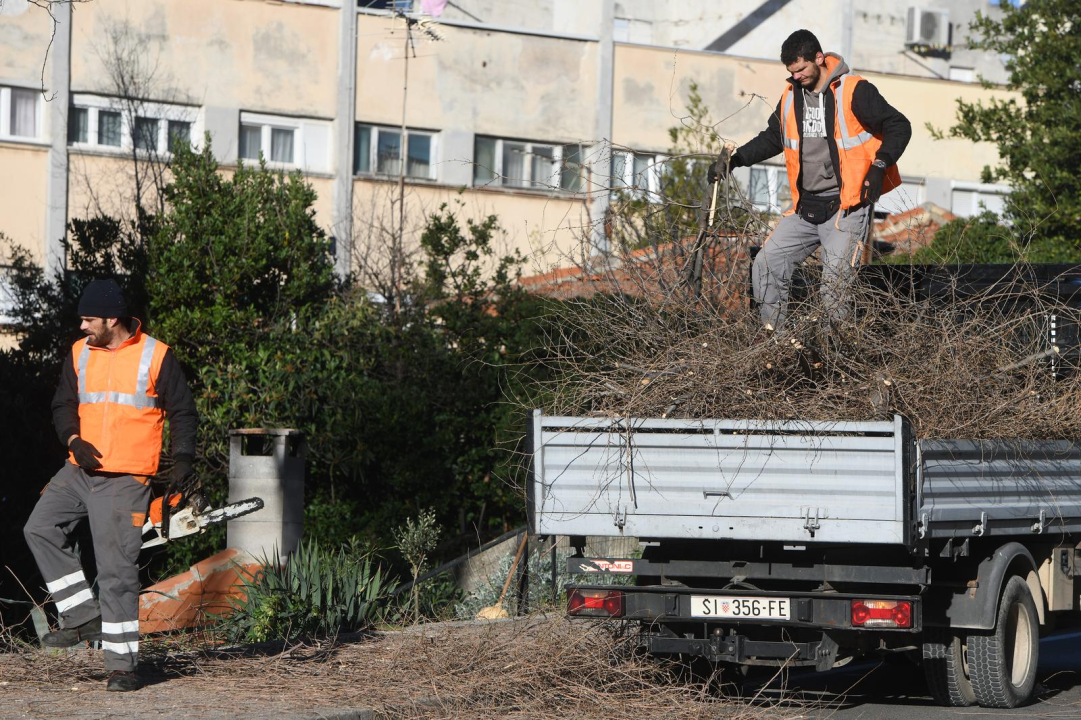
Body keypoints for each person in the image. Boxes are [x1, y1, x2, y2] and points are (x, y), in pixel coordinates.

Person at [23, 279, 198, 692]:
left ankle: (123, 668)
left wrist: (183, 461)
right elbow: (63, 404)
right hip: (79, 469)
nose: (82, 326)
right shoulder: (79, 352)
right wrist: (72, 440)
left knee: (116, 571)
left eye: (88, 319)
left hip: (126, 478)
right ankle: (82, 615)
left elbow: (183, 411)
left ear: (112, 319)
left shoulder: (156, 355)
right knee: (39, 527)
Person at [712, 29, 911, 333]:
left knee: (834, 289)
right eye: (791, 72)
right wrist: (735, 160)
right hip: (805, 209)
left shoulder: (853, 90)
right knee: (766, 264)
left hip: (846, 209)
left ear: (818, 58)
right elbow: (773, 138)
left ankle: (834, 352)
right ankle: (776, 342)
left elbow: (899, 125)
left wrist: (879, 165)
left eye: (802, 69)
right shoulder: (791, 96)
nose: (797, 77)